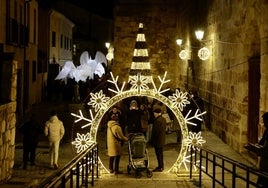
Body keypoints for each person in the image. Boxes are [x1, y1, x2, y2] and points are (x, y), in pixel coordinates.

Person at [256, 112, 268, 187]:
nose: (264, 124)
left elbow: (266, 147)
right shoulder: (266, 130)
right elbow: (262, 141)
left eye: (265, 122)